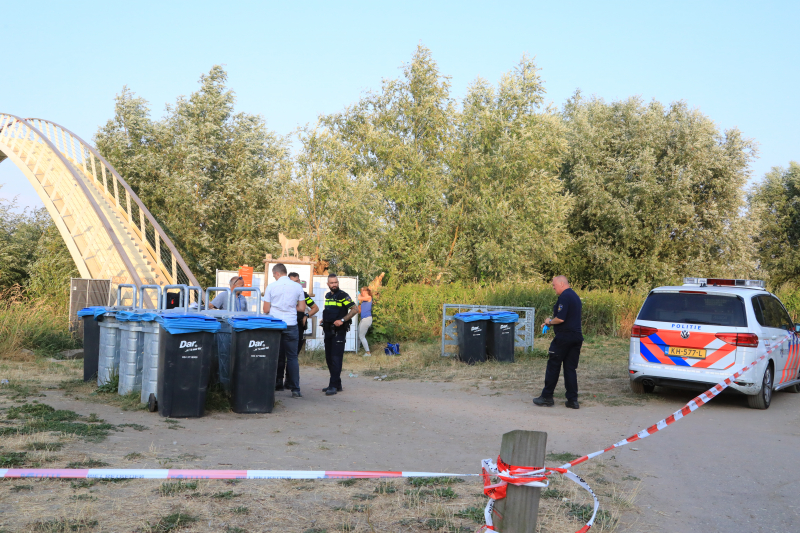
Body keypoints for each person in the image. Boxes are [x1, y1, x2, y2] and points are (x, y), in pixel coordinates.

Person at [533, 275, 583, 409]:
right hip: (576, 337)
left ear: (561, 284)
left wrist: (549, 321)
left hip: (564, 337)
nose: (553, 287)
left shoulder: (565, 297)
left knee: (553, 366)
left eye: (554, 285)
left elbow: (560, 319)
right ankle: (572, 400)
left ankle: (547, 397)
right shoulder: (575, 296)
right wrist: (551, 323)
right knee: (570, 368)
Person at [262, 263, 306, 398]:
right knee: (292, 357)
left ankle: (271, 386)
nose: (274, 277)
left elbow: (266, 309)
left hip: (275, 324)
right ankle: (295, 389)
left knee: (273, 355)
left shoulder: (271, 287)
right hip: (291, 324)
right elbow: (302, 308)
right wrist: (291, 307)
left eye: (274, 275)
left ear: (277, 273)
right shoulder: (298, 287)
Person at [321, 273, 358, 396]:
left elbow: (355, 309)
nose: (334, 284)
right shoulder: (328, 296)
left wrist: (342, 320)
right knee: (329, 358)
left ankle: (333, 385)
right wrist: (325, 320)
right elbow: (330, 311)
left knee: (336, 358)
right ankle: (337, 383)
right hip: (328, 330)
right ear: (328, 284)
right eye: (332, 283)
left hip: (339, 332)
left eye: (336, 282)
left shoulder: (343, 295)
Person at [288, 272, 319, 356]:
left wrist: (306, 315)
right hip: (287, 325)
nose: (296, 283)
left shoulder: (303, 294)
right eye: (293, 282)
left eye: (297, 281)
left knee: (295, 353)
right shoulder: (285, 294)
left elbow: (315, 308)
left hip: (299, 325)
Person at [357, 287, 373, 356]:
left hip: (367, 319)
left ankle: (368, 352)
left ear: (365, 291)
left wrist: (357, 294)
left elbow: (359, 298)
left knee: (361, 336)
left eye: (361, 291)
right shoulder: (363, 302)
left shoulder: (369, 297)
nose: (361, 293)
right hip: (363, 319)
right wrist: (358, 305)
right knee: (358, 334)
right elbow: (360, 311)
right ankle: (357, 349)